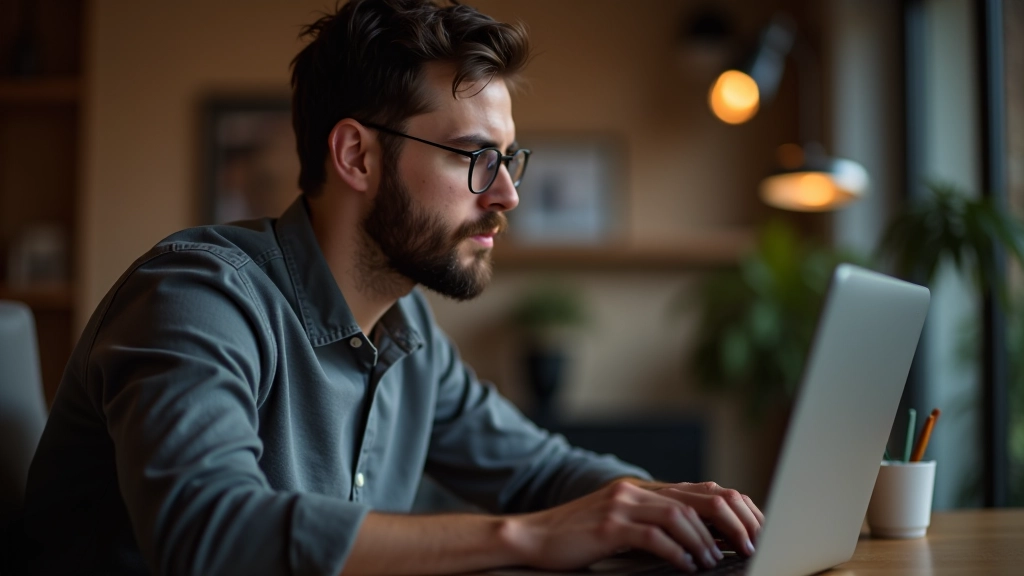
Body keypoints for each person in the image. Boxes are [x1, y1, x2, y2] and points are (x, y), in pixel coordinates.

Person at [19, 1, 764, 574]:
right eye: (474, 157)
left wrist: (665, 506)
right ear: (356, 156)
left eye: (509, 159)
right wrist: (528, 538)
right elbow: (210, 535)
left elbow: (542, 471)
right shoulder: (197, 296)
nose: (506, 194)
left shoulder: (407, 337)